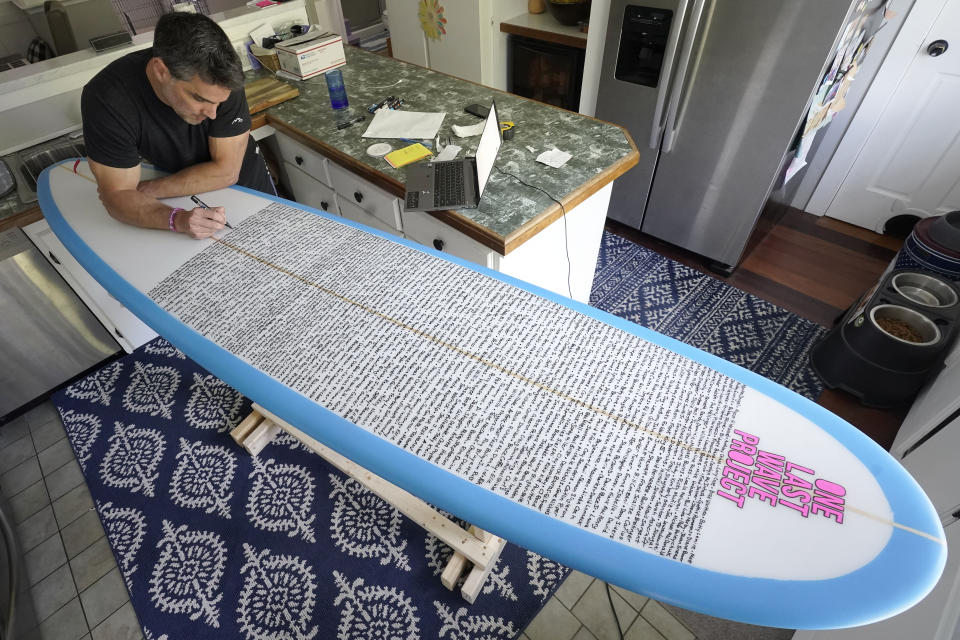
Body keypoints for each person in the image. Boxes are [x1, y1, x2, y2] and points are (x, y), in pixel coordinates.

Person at [81, 12, 274, 239]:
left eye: (218, 103)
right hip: (182, 203)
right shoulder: (107, 99)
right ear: (161, 71)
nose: (213, 114)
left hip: (249, 186)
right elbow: (118, 195)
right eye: (199, 99)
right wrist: (178, 219)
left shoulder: (223, 80)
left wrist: (148, 189)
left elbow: (226, 172)